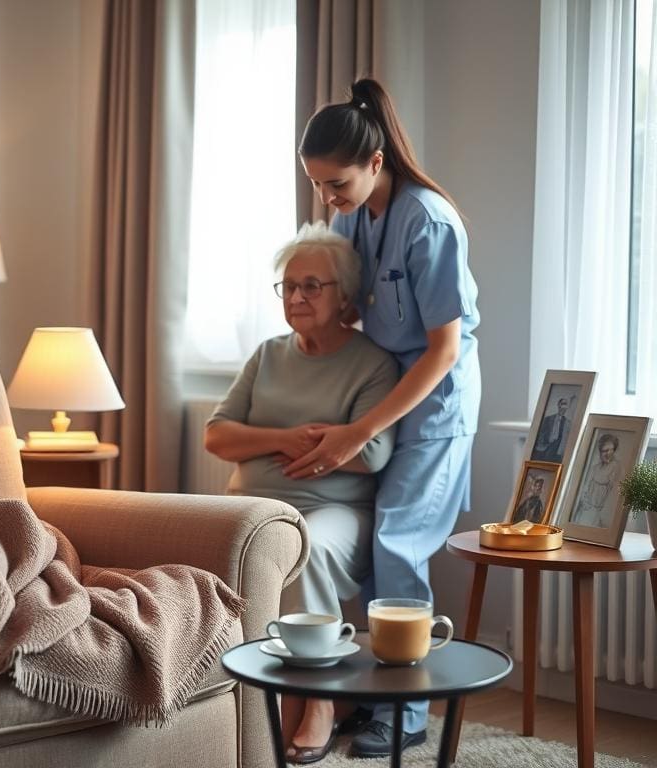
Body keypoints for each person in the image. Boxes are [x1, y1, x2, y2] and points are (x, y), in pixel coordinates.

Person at [288, 77, 481, 758]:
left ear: (376, 163)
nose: (327, 200)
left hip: (433, 402)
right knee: (371, 547)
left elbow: (443, 348)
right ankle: (369, 695)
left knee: (397, 543)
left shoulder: (429, 220)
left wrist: (361, 428)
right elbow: (348, 307)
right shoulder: (351, 218)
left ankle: (405, 713)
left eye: (336, 183)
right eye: (317, 186)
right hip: (380, 391)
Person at [204, 222, 398, 765]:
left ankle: (319, 699)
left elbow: (371, 453)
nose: (296, 297)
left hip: (332, 511)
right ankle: (218, 696)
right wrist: (290, 438)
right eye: (288, 285)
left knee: (299, 549)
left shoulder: (373, 363)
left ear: (346, 297)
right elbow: (217, 435)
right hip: (252, 507)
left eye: (313, 285)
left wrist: (260, 444)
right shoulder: (267, 355)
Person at [571, 433, 622, 528]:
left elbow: (613, 495)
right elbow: (584, 488)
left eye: (611, 450)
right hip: (586, 508)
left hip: (599, 511)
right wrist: (585, 502)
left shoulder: (616, 467)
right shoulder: (595, 468)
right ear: (600, 452)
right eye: (605, 451)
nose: (608, 454)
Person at [533, 398, 571, 462]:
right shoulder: (548, 419)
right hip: (545, 446)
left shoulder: (567, 422)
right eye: (562, 404)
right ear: (558, 405)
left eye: (565, 406)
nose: (563, 408)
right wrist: (545, 441)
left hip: (557, 450)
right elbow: (541, 433)